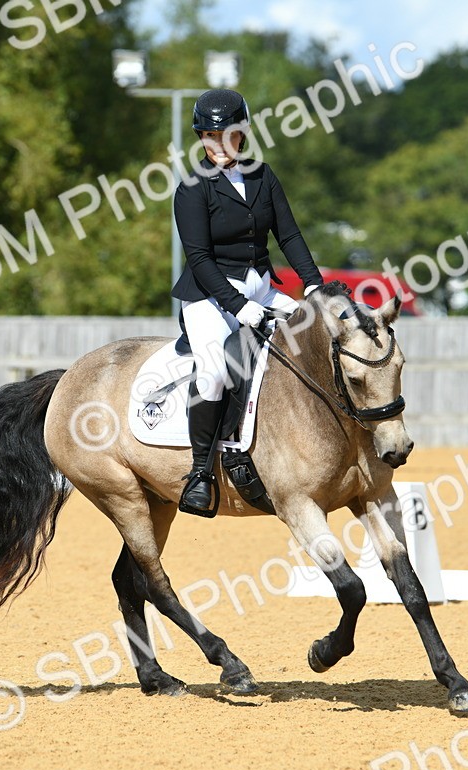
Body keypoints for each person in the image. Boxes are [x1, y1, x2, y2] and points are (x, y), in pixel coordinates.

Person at [171, 88, 323, 515]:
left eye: (228, 135)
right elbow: (198, 259)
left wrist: (312, 286)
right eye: (209, 136)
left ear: (242, 134)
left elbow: (288, 235)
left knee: (320, 335)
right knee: (217, 370)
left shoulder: (262, 175)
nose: (218, 145)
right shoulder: (191, 187)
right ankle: (200, 473)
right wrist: (237, 307)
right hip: (209, 296)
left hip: (262, 286)